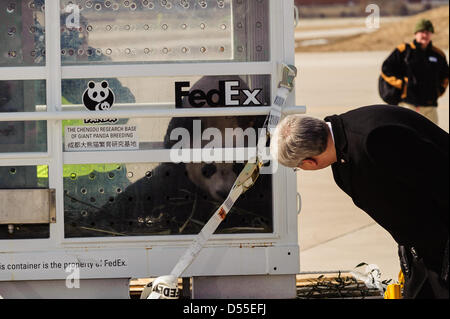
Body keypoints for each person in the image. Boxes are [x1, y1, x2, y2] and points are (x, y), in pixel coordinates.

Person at [271, 105, 449, 299]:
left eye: (298, 167)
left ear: (309, 162)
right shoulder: (343, 152)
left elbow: (438, 180)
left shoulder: (374, 139)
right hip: (423, 245)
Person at [380, 19, 449, 125]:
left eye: (428, 32)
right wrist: (403, 85)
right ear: (415, 33)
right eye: (422, 32)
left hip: (429, 106)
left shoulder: (438, 55)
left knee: (432, 138)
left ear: (431, 34)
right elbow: (386, 69)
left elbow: (445, 76)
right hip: (408, 104)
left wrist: (438, 91)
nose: (425, 35)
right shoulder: (404, 50)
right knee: (407, 136)